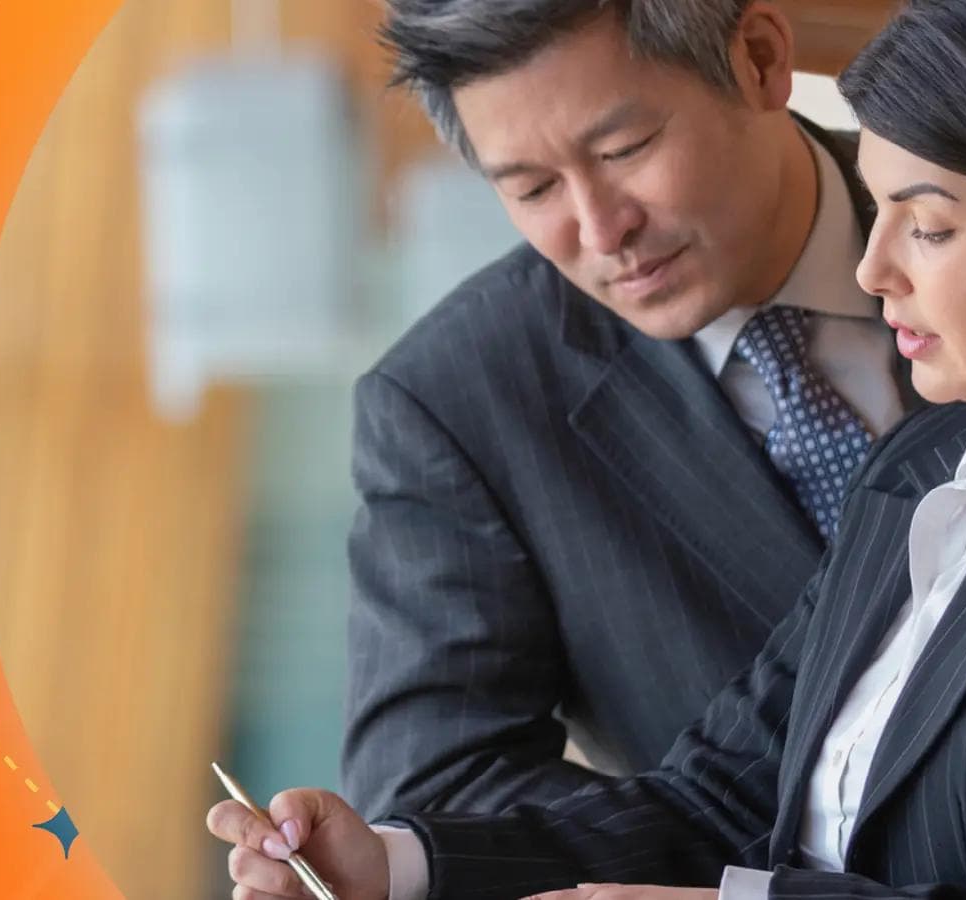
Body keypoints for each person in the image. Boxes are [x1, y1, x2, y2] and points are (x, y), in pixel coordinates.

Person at [214, 0, 966, 897]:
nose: (871, 268)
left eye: (930, 223)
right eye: (526, 185)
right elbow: (722, 794)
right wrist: (396, 865)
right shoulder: (928, 469)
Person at [342, 0, 917, 822]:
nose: (602, 229)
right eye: (534, 188)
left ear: (758, 58)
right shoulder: (459, 404)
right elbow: (441, 798)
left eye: (624, 150)